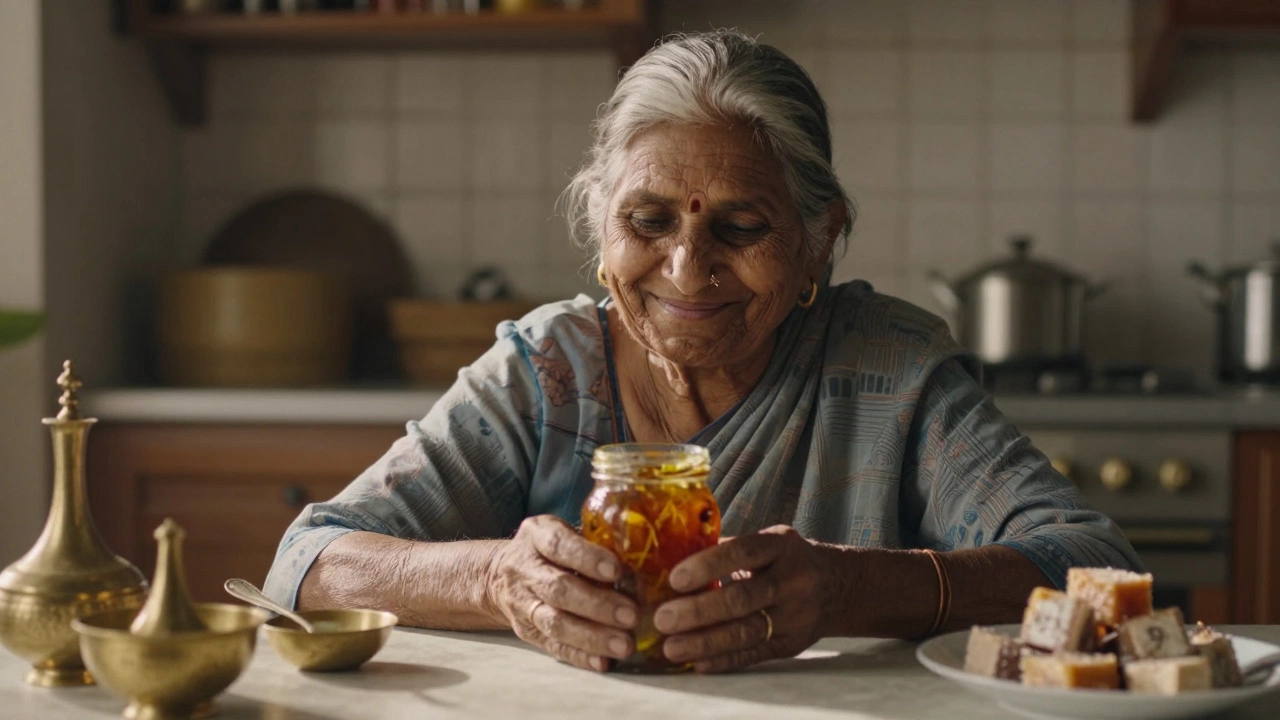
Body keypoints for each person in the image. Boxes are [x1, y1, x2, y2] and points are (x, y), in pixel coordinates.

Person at [264, 30, 1141, 674]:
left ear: (818, 240)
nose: (687, 268)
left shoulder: (887, 368)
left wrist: (849, 589)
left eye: (742, 226)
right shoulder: (549, 371)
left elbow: (1097, 567)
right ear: (601, 228)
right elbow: (308, 563)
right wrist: (497, 577)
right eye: (648, 221)